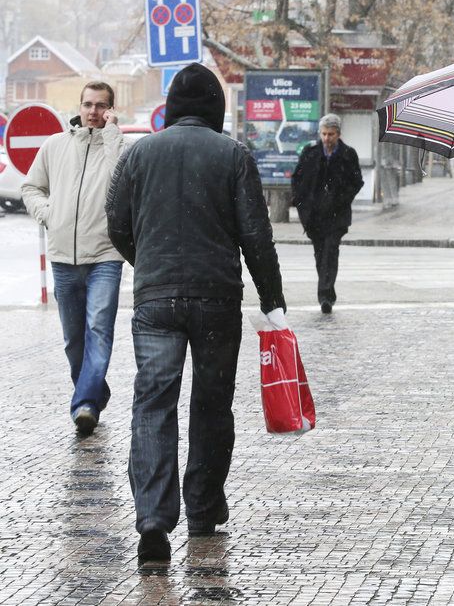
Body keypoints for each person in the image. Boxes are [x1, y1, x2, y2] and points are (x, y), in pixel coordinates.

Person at [106, 63, 287, 565]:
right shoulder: (232, 155)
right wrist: (272, 297)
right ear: (215, 108)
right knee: (211, 404)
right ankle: (203, 506)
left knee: (153, 404)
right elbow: (256, 234)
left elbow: (116, 222)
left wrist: (150, 265)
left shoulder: (139, 153)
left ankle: (152, 522)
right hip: (217, 299)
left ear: (173, 106)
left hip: (155, 299)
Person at [21, 81, 127, 436]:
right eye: (88, 104)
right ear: (79, 107)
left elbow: (121, 185)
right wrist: (49, 214)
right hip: (64, 255)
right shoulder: (55, 146)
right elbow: (31, 187)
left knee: (99, 329)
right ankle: (94, 392)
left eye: (101, 106)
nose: (93, 112)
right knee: (73, 339)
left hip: (105, 256)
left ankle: (84, 404)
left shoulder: (120, 147)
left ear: (111, 109)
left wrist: (112, 135)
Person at [290, 114, 364, 313]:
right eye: (324, 134)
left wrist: (341, 199)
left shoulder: (348, 154)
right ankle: (325, 290)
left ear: (338, 134)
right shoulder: (310, 152)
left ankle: (326, 296)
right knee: (320, 254)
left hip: (336, 215)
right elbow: (297, 179)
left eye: (331, 134)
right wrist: (301, 203)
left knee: (330, 252)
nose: (327, 138)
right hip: (314, 216)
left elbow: (357, 182)